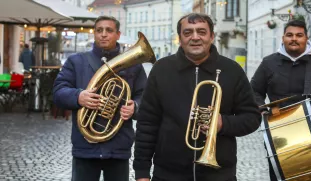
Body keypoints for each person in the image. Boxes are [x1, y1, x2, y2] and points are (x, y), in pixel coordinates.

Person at [133, 13, 261, 181]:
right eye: (188, 33)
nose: (195, 37)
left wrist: (223, 123)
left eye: (201, 32)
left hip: (219, 175)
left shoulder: (232, 70)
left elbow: (252, 117)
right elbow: (147, 123)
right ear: (180, 38)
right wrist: (142, 173)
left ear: (212, 36)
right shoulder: (161, 69)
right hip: (168, 174)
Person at [53, 16, 147, 181]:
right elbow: (58, 92)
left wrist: (135, 107)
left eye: (109, 30)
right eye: (99, 30)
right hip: (85, 147)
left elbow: (145, 96)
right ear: (94, 34)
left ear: (118, 34)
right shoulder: (76, 62)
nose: (103, 34)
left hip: (119, 147)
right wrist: (78, 96)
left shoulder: (134, 66)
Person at [250, 20, 311, 181]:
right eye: (289, 35)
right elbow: (253, 91)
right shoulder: (269, 63)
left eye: (299, 35)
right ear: (283, 38)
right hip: (278, 135)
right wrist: (262, 109)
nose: (294, 39)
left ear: (306, 38)